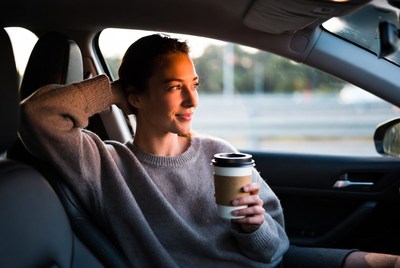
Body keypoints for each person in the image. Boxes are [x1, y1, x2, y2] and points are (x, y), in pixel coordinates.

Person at [19, 34, 290, 267]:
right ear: (135, 97)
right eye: (174, 87)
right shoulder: (105, 165)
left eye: (194, 85)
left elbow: (273, 251)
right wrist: (113, 92)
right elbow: (37, 114)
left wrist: (254, 228)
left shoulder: (220, 153)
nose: (193, 100)